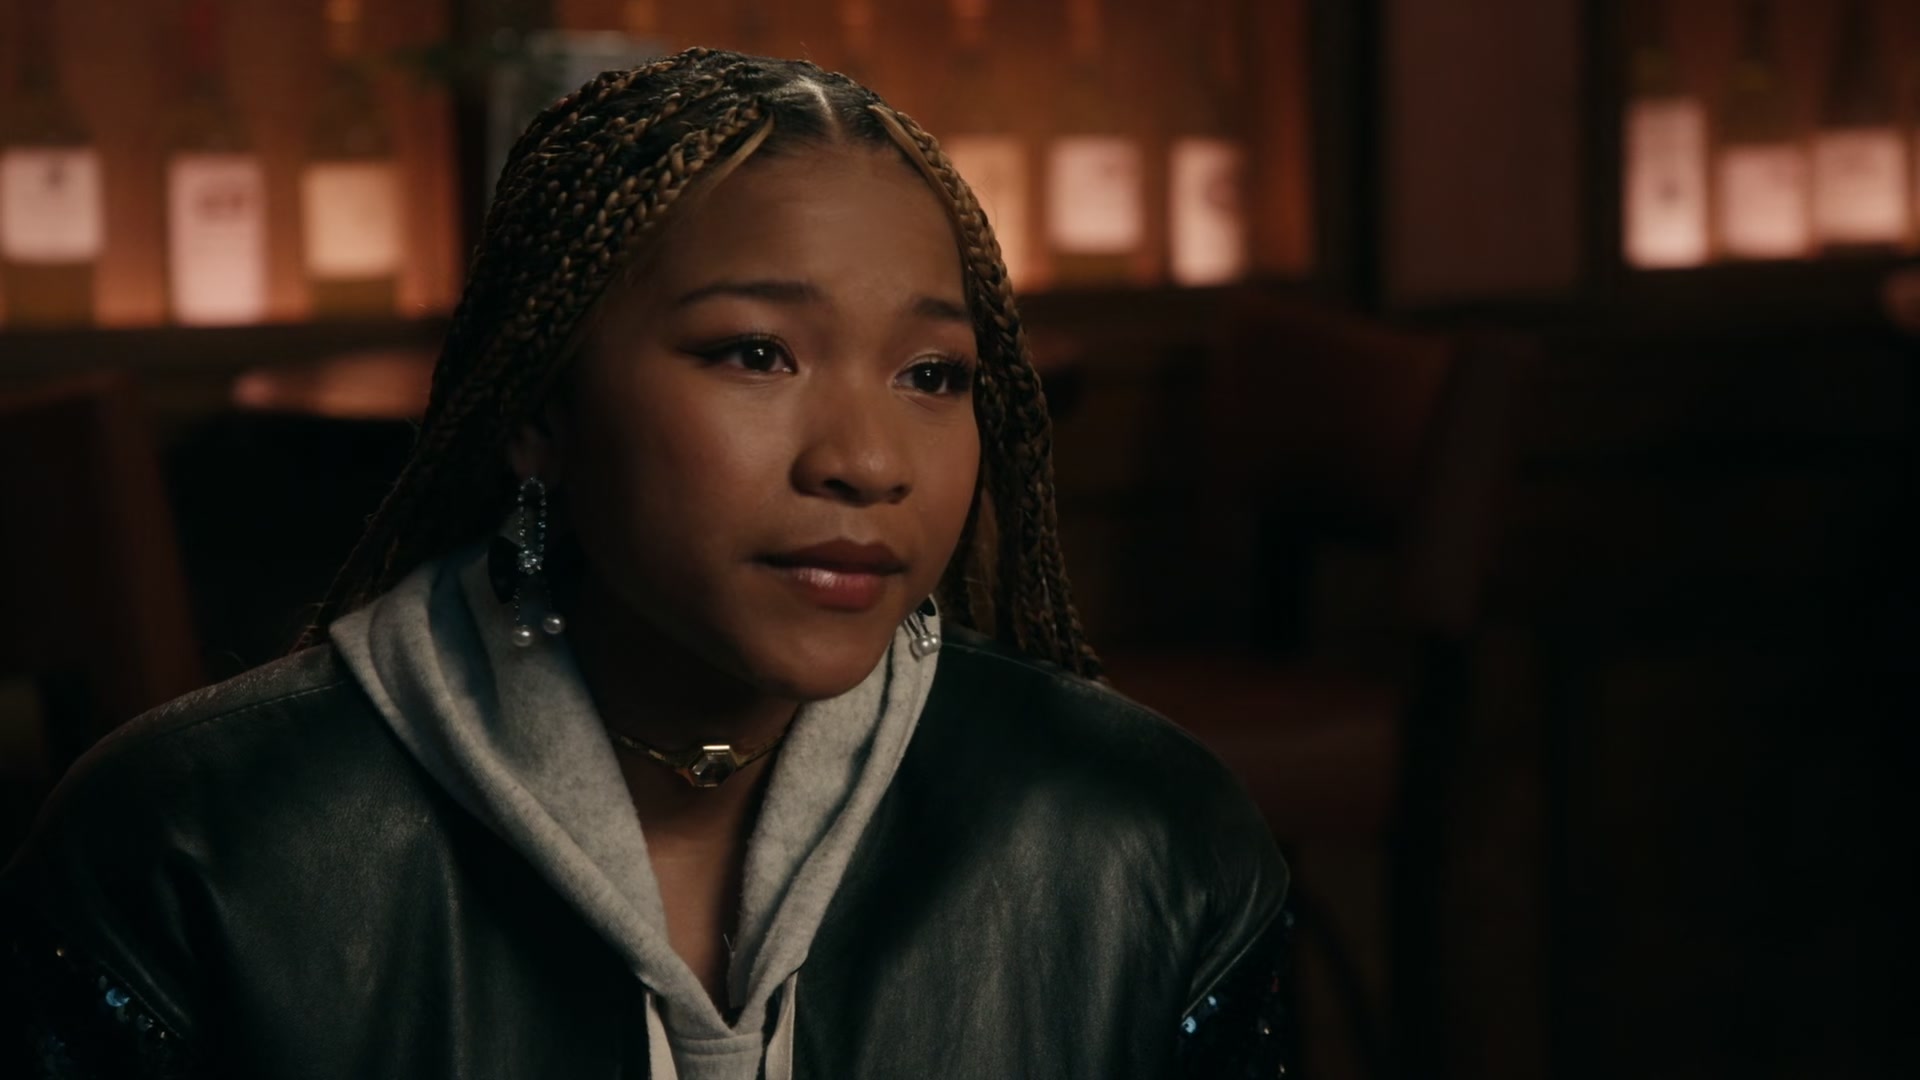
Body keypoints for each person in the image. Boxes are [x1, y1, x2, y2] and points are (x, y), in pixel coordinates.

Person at [1, 49, 1288, 1079]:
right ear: (542, 408)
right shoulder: (193, 854)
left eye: (932, 374)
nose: (865, 460)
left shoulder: (1140, 843)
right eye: (755, 354)